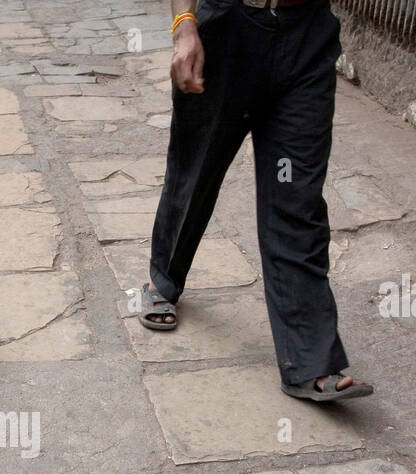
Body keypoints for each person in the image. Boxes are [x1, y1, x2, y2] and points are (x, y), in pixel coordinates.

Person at [144, 0, 373, 402]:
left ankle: (309, 362)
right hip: (227, 31)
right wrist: (184, 25)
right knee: (196, 170)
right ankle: (163, 279)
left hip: (306, 36)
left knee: (297, 197)